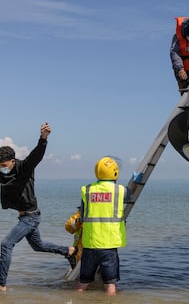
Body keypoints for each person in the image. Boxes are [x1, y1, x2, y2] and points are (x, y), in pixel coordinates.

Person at [0, 123, 76, 291]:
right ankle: (69, 251)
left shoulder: (24, 168)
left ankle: (1, 285)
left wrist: (43, 138)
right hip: (24, 216)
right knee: (38, 246)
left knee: (6, 244)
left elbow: (36, 156)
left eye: (4, 166)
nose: (2, 169)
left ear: (12, 161)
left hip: (31, 216)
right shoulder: (2, 172)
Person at [76, 156, 128, 295]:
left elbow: (82, 215)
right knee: (110, 284)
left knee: (83, 284)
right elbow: (131, 193)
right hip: (109, 246)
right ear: (115, 173)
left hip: (90, 244)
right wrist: (136, 180)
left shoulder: (86, 190)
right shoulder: (120, 190)